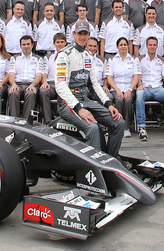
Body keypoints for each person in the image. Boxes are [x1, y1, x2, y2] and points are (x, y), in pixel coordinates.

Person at [54, 21, 125, 156]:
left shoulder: (88, 55)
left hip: (84, 99)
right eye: (79, 34)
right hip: (67, 103)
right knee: (92, 128)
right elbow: (60, 86)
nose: (82, 37)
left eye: (85, 34)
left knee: (119, 123)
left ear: (89, 35)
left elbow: (94, 85)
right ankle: (95, 168)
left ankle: (111, 159)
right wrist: (79, 109)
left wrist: (108, 104)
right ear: (73, 35)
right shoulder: (64, 55)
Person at [134, 35, 164, 141]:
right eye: (150, 45)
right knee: (139, 94)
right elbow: (137, 75)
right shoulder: (139, 59)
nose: (152, 47)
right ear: (146, 46)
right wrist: (139, 85)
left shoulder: (163, 60)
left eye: (154, 45)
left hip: (158, 88)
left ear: (157, 46)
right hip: (145, 88)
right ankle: (142, 126)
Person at [5, 35, 44, 118]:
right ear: (20, 46)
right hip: (17, 84)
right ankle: (14, 120)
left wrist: (33, 85)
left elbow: (39, 75)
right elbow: (11, 74)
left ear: (32, 45)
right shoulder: (14, 58)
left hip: (31, 84)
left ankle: (26, 122)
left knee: (30, 93)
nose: (26, 47)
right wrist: (13, 84)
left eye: (28, 44)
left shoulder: (38, 58)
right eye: (24, 44)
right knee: (13, 93)